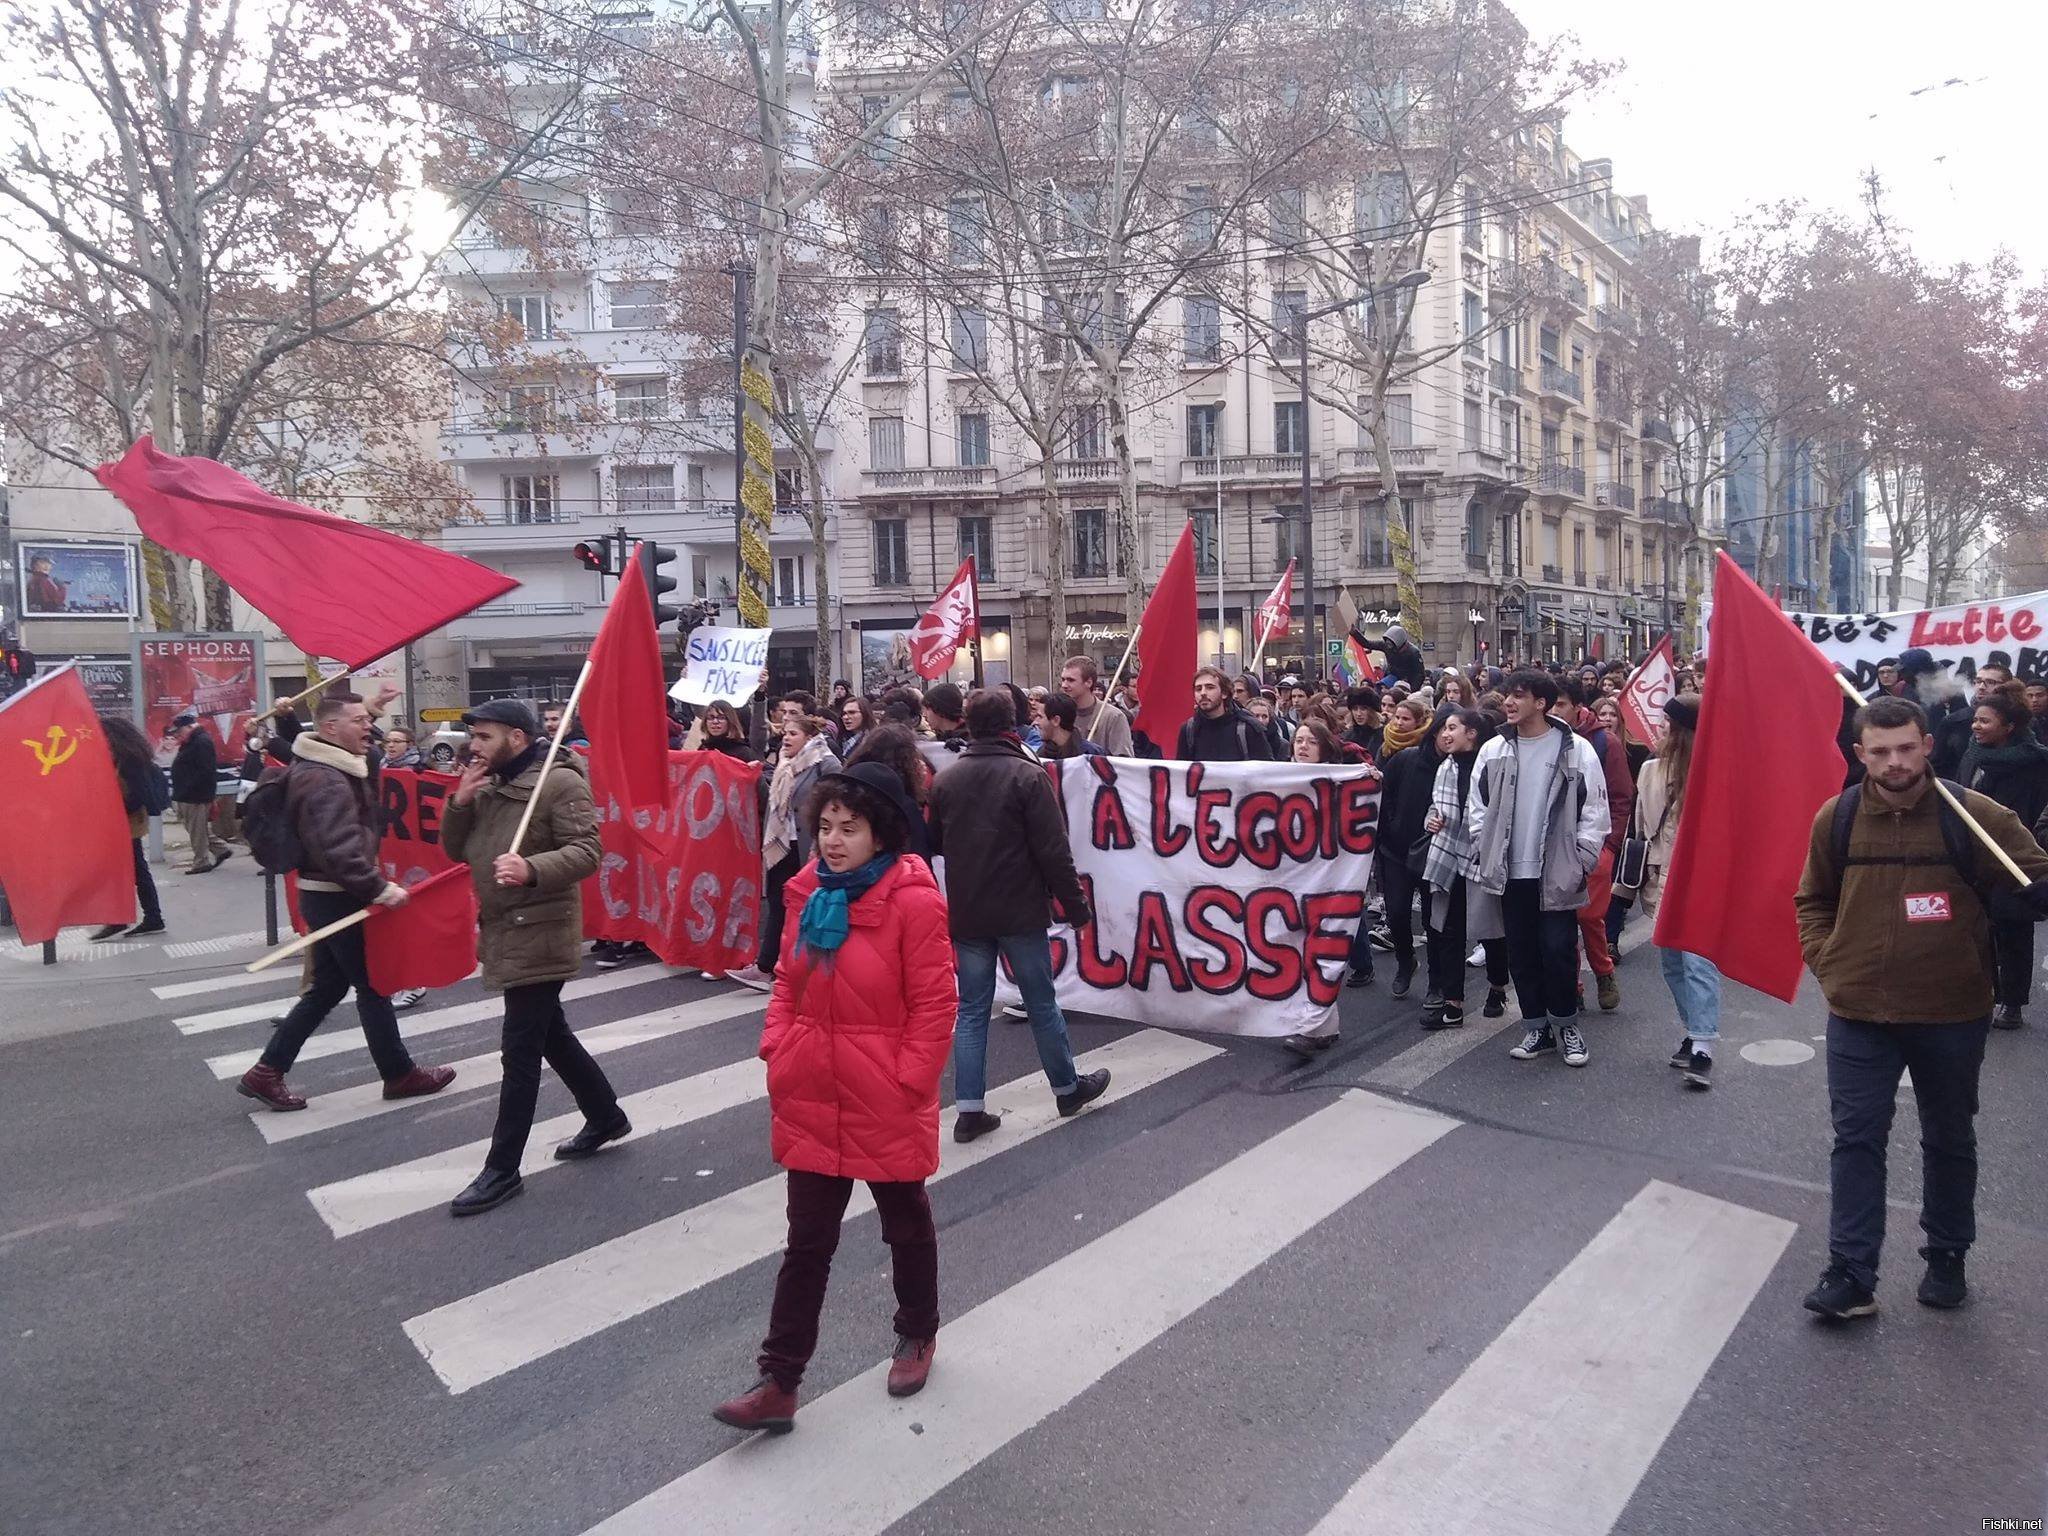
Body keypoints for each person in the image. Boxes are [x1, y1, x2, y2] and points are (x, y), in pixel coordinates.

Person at [710, 763, 955, 1431]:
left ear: (883, 835)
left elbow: (936, 1005)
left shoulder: (914, 899)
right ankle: (779, 1380)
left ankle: (917, 1332)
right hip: (813, 1086)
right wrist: (778, 1047)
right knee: (807, 1244)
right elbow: (788, 982)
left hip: (884, 1093)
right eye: (825, 827)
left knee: (905, 1223)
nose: (833, 841)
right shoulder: (807, 891)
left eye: (850, 828)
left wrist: (908, 1080)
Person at [1794, 695, 2048, 1319]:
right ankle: (1852, 1273)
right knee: (1856, 1139)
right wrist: (1829, 961)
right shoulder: (1840, 816)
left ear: (1929, 744)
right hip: (1859, 1010)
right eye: (1880, 751)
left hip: (1950, 1008)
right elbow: (1812, 900)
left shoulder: (1976, 815)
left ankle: (1946, 1252)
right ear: (1860, 754)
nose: (1895, 762)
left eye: (1907, 747)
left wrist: (2028, 898)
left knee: (1949, 1135)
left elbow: (2034, 879)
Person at [439, 700, 626, 1215]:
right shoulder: (489, 783)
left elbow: (588, 851)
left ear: (517, 738)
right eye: (472, 735)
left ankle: (502, 1169)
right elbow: (455, 851)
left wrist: (532, 867)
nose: (473, 746)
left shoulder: (559, 783)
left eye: (484, 736)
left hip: (539, 929)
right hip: (503, 926)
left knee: (519, 1051)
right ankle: (606, 1116)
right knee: (552, 1036)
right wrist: (460, 803)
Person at [235, 692, 455, 1111]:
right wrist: (380, 890)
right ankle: (399, 1074)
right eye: (359, 721)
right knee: (374, 985)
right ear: (330, 729)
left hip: (322, 895)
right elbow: (337, 849)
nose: (369, 728)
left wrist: (368, 708)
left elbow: (364, 768)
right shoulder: (326, 780)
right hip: (339, 897)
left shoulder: (322, 765)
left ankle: (266, 1071)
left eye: (368, 721)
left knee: (328, 988)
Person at [928, 688, 1109, 1142]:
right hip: (1019, 909)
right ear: (1011, 722)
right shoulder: (1027, 776)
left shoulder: (948, 780)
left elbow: (934, 842)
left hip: (969, 910)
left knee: (971, 1009)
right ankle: (1067, 1088)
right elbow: (1054, 851)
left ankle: (969, 1108)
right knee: (1042, 1002)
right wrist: (1077, 909)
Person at [1465, 670, 1609, 1069]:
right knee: (1522, 953)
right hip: (1510, 874)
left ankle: (1566, 1025)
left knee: (1559, 950)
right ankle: (1536, 1026)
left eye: (1519, 696)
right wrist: (1485, 848)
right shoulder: (1494, 750)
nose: (1509, 702)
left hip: (1557, 870)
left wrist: (1581, 859)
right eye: (1507, 695)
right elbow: (1476, 809)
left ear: (1541, 703)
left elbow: (1595, 810)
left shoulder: (1576, 750)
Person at [1633, 696, 1719, 1088]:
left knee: (1698, 962)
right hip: (1660, 879)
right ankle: (1693, 1029)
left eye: (1668, 721)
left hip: (1701, 878)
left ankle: (1703, 1045)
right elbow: (1639, 832)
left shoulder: (1714, 774)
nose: (1661, 727)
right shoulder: (1649, 771)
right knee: (1671, 964)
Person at [729, 714, 841, 992]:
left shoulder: (824, 762)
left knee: (809, 906)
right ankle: (766, 968)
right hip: (781, 843)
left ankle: (812, 969)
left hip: (809, 847)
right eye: (785, 734)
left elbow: (838, 804)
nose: (786, 739)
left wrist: (825, 839)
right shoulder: (784, 763)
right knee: (780, 903)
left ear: (808, 737)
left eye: (793, 734)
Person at [1958, 687, 2048, 1029]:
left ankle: (2012, 1003)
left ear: (2008, 726)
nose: (1976, 727)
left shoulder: (2037, 762)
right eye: (1976, 719)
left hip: (2017, 858)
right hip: (1972, 858)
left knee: (2014, 934)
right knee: (1976, 933)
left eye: (1985, 720)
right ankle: (1982, 996)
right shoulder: (1972, 754)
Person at [1419, 707, 1510, 1026]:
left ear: (1471, 733)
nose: (1445, 734)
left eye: (1452, 728)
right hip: (1447, 854)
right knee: (1448, 930)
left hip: (1481, 854)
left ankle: (1498, 986)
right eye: (1444, 729)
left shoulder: (1492, 765)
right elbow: (1438, 804)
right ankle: (1453, 1002)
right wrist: (1432, 818)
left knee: (1492, 931)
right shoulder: (1446, 767)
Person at [1570, 677, 1633, 1012]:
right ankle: (1573, 986)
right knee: (1563, 919)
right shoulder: (1545, 738)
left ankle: (1604, 972)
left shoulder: (1605, 743)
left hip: (1597, 844)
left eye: (1562, 704)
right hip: (1558, 845)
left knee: (1589, 917)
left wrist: (1610, 845)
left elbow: (1621, 797)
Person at [1373, 700, 1440, 1003]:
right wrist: (1388, 831)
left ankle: (1437, 980)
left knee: (1433, 919)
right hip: (1396, 851)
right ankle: (1405, 960)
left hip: (1431, 852)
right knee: (1397, 914)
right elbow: (1383, 797)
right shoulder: (1403, 759)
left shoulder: (1450, 767)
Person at [91, 714, 168, 940]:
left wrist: (118, 809)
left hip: (126, 823)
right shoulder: (120, 757)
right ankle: (123, 917)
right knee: (121, 871)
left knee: (135, 870)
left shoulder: (130, 761)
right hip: (117, 823)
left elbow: (137, 795)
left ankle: (149, 917)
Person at [167, 712, 231, 873]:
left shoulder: (201, 741)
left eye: (178, 731)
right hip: (189, 794)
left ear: (189, 727)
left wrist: (189, 788)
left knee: (196, 830)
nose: (176, 735)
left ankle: (201, 862)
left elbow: (206, 771)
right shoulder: (193, 740)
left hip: (194, 796)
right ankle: (221, 849)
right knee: (197, 828)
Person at [1177, 666, 1274, 761]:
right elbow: (1181, 772)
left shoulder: (1249, 728)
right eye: (1198, 689)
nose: (1203, 693)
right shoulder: (1189, 730)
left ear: (1224, 693)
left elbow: (1265, 772)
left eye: (1210, 687)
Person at [1059, 655, 1132, 755]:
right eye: (1063, 679)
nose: (1064, 685)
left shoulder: (1113, 717)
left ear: (1088, 682)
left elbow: (1124, 763)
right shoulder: (1059, 715)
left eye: (1070, 680)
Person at [1036, 690, 1107, 761]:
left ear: (1056, 720)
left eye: (1040, 717)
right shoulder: (1040, 756)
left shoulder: (1093, 756)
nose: (1036, 722)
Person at [1342, 686, 1384, 763]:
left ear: (1372, 710)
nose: (1358, 714)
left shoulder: (1383, 735)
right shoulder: (1346, 736)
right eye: (1355, 709)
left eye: (1363, 708)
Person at [1376, 623, 1425, 688]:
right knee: (1380, 686)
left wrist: (1412, 689)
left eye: (1391, 642)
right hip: (1392, 676)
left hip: (1407, 680)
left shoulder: (1413, 652)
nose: (1388, 645)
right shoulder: (1387, 647)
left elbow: (1420, 674)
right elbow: (1367, 643)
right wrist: (1357, 633)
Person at [836, 695, 874, 760]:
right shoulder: (840, 740)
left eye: (852, 712)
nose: (846, 717)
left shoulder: (872, 742)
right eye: (844, 713)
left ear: (865, 714)